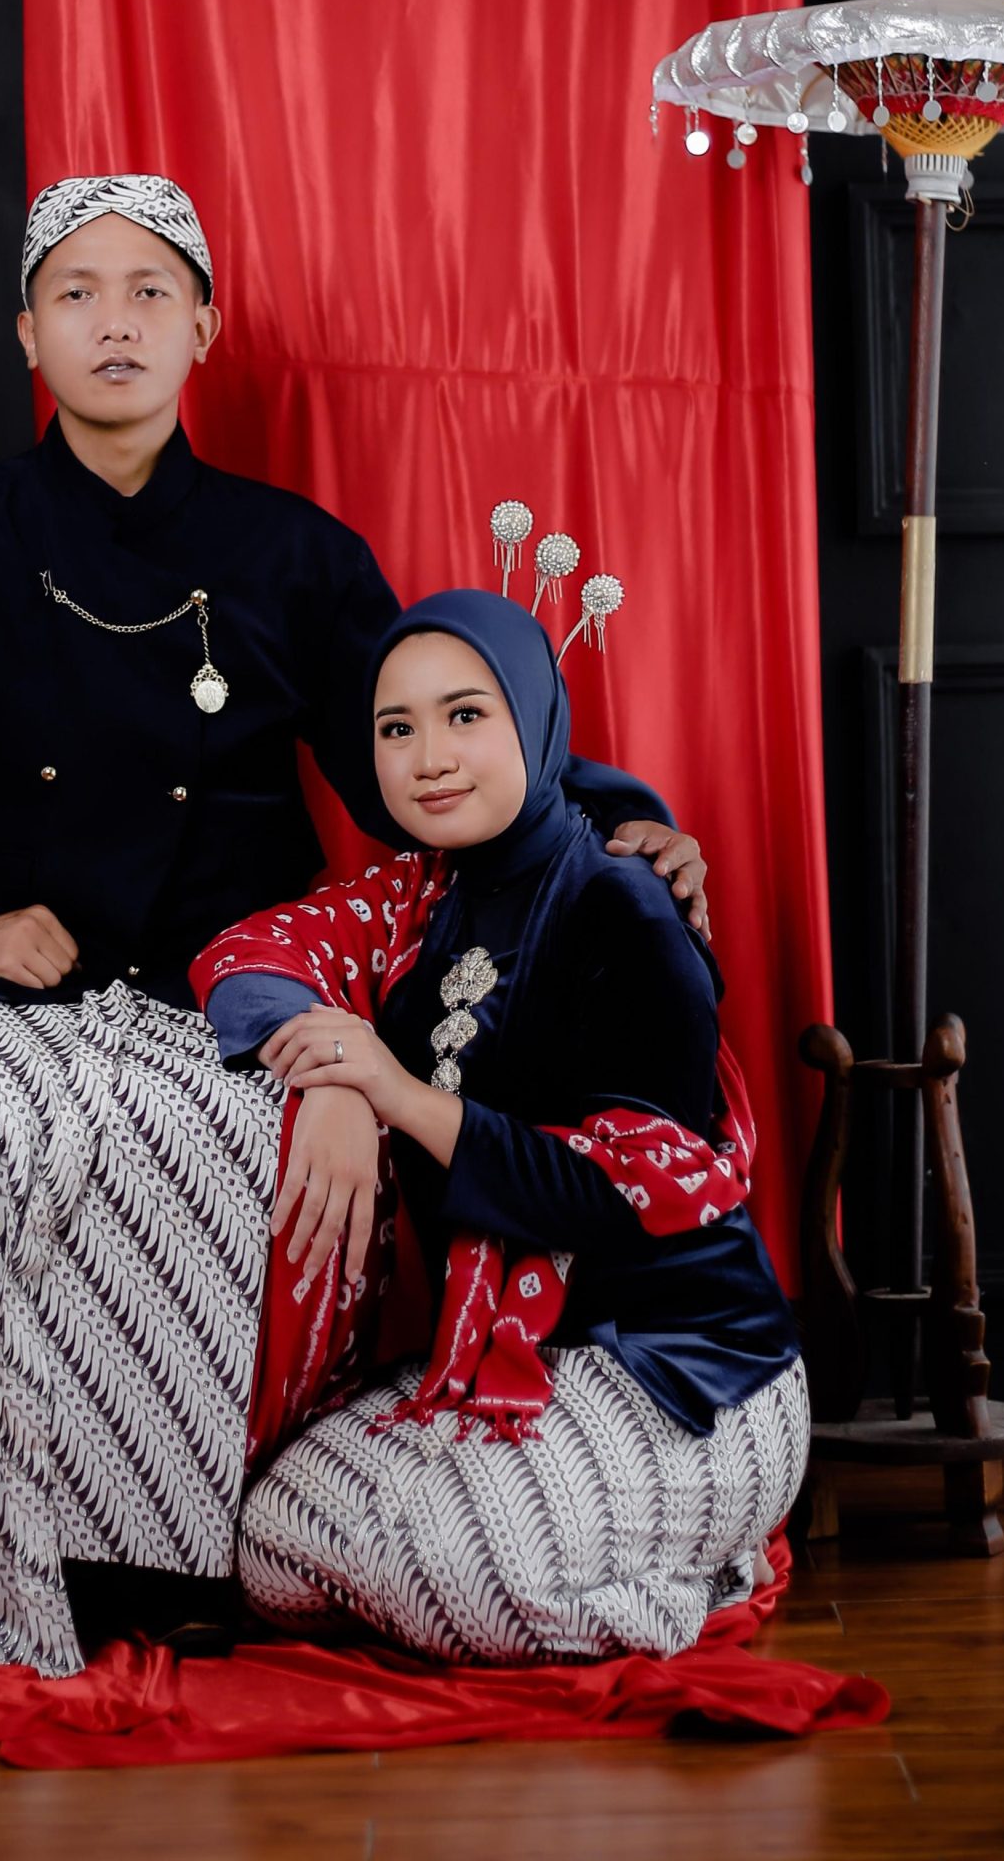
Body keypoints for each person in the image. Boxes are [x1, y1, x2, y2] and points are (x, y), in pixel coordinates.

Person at [0, 176, 710, 1677]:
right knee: (4, 1144)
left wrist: (613, 827)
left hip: (247, 996)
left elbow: (429, 757)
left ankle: (189, 1558)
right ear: (27, 334)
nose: (114, 321)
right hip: (13, 1001)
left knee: (247, 1150)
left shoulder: (294, 554)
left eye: (150, 291)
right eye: (76, 293)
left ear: (203, 326)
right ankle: (42, 1574)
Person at [192, 590, 806, 1663]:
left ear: (532, 716)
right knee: (266, 1545)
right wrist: (332, 1076)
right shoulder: (414, 901)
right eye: (397, 728)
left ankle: (703, 1574)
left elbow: (613, 1200)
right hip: (501, 1360)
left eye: (466, 715)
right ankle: (517, 1547)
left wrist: (395, 1091)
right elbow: (248, 954)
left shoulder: (626, 906)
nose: (429, 758)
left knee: (461, 1573)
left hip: (684, 1371)